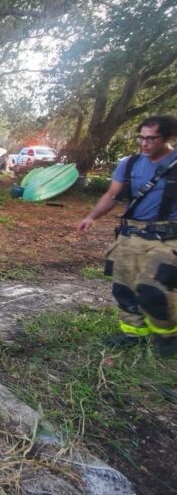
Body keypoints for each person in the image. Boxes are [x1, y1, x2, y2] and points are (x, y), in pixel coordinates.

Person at [77, 115, 177, 357]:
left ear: (169, 137)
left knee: (153, 289)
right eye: (141, 138)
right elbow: (112, 195)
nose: (144, 144)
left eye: (151, 139)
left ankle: (168, 335)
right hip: (131, 234)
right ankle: (134, 334)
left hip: (168, 238)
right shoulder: (129, 163)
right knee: (124, 289)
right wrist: (91, 217)